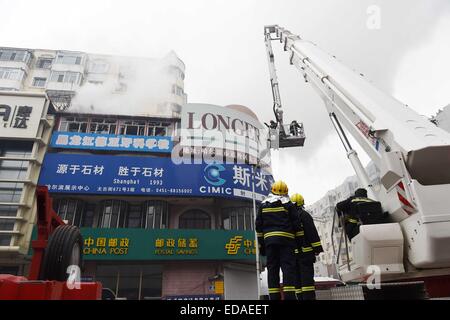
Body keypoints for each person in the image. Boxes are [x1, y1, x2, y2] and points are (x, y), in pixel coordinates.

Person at [256, 180, 301, 300]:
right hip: (287, 242)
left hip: (270, 243)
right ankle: (290, 297)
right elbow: (296, 224)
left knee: (272, 269)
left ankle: (274, 297)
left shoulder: (263, 205)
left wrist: (262, 246)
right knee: (288, 269)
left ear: (272, 190)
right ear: (286, 192)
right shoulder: (289, 205)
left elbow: (258, 227)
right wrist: (298, 242)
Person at [290, 193, 323, 300]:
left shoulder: (287, 217)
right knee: (307, 280)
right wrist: (317, 248)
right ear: (302, 203)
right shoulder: (304, 215)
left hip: (293, 255)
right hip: (305, 254)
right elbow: (311, 232)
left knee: (297, 281)